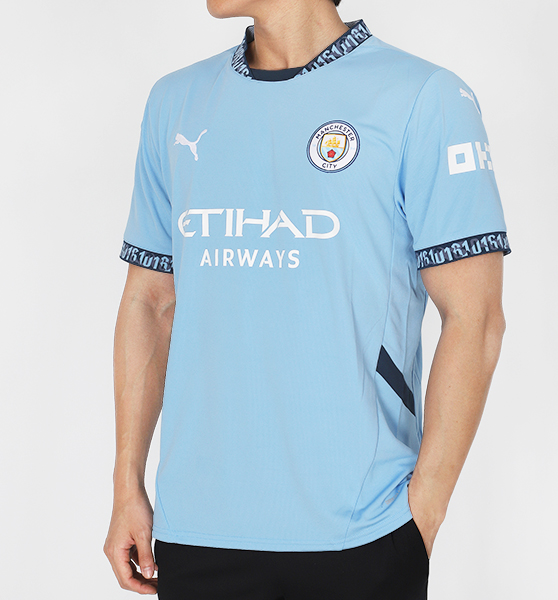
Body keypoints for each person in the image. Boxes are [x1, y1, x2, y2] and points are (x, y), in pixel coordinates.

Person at [103, 0, 511, 598]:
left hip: (360, 531)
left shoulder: (425, 98)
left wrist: (422, 514)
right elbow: (149, 301)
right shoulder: (175, 102)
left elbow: (476, 318)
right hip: (195, 530)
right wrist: (126, 484)